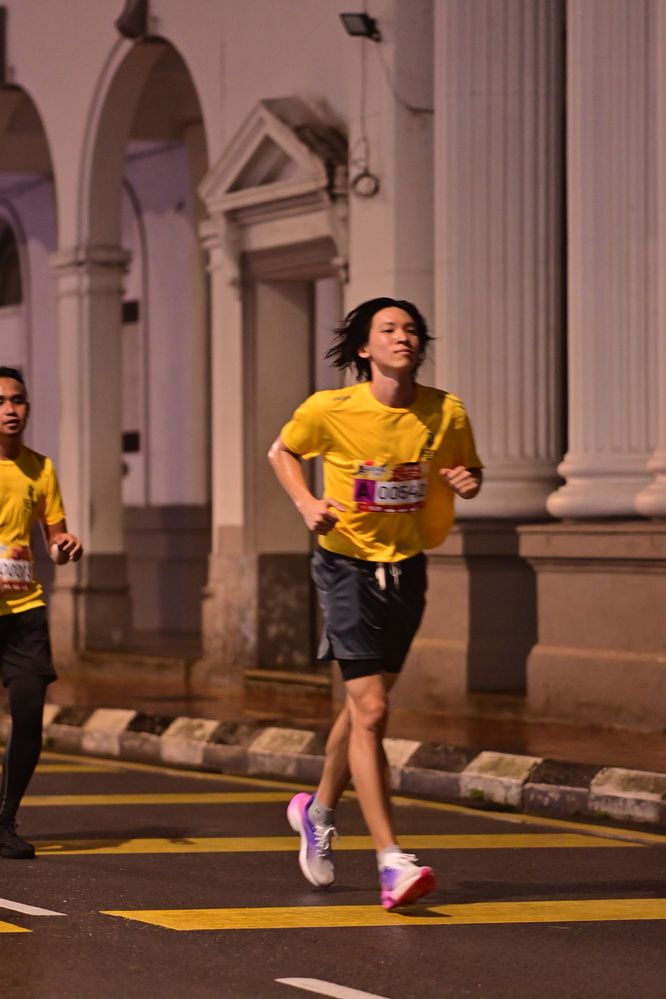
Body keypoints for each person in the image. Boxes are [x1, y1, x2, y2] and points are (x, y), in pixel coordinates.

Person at [268, 297, 483, 910]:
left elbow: (466, 469)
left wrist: (468, 481)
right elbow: (281, 451)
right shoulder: (330, 409)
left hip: (406, 570)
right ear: (364, 348)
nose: (403, 337)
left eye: (411, 330)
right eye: (388, 329)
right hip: (346, 569)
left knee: (362, 709)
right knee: (373, 709)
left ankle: (317, 811)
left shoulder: (445, 410)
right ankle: (392, 860)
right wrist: (308, 504)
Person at [0, 366, 82, 859]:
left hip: (24, 608)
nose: (10, 409)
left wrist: (64, 547)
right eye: (0, 402)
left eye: (18, 400)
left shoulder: (40, 468)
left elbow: (54, 538)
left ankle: (4, 820)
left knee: (29, 714)